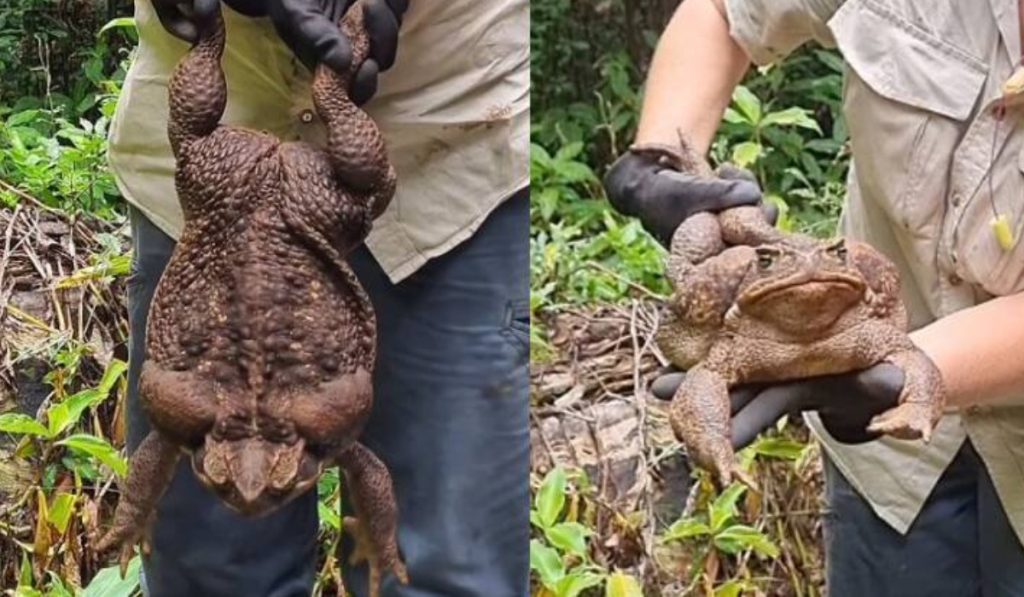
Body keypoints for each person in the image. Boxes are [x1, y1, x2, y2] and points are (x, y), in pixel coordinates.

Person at [108, 0, 529, 595]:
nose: (251, 491)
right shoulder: (262, 425)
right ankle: (238, 49)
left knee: (446, 567)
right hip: (237, 188)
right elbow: (358, 457)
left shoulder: (230, 421)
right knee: (207, 573)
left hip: (446, 140)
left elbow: (358, 456)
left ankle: (242, 54)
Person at [603, 0, 1024, 594]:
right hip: (890, 460)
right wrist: (660, 169)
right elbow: (724, 12)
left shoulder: (873, 347)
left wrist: (891, 370)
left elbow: (902, 365)